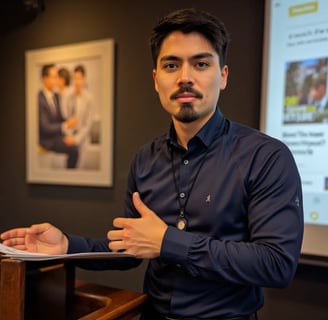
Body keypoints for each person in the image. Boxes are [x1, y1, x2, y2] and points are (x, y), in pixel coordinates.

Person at [1, 8, 304, 320]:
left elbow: (277, 264)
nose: (185, 77)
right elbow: (129, 247)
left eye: (201, 63)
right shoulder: (146, 159)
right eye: (171, 65)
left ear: (223, 76)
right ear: (156, 79)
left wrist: (168, 241)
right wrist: (67, 246)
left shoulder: (266, 156)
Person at [38, 64, 79, 168]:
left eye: (57, 77)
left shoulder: (56, 96)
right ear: (45, 78)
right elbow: (45, 127)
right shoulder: (39, 99)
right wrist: (65, 126)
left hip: (58, 136)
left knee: (74, 143)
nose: (56, 80)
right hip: (47, 141)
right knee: (74, 150)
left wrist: (69, 122)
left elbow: (60, 118)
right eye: (54, 77)